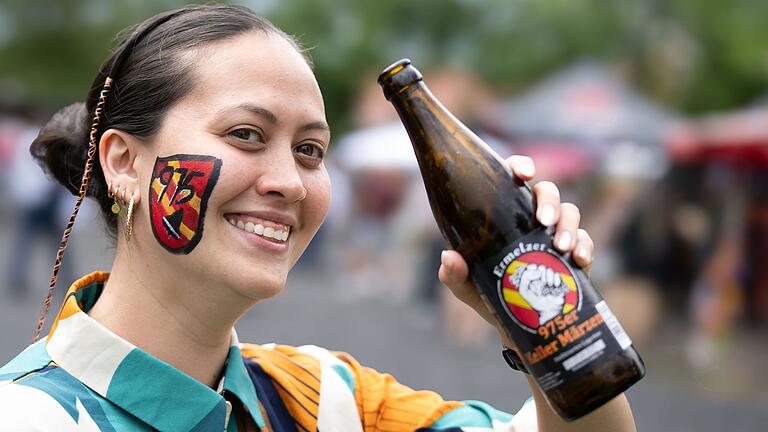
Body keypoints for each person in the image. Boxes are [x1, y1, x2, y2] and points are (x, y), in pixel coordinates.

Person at [0, 5, 636, 431]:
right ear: (125, 163)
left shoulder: (326, 398)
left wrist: (540, 319)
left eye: (310, 150)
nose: (287, 183)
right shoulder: (29, 416)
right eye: (247, 134)